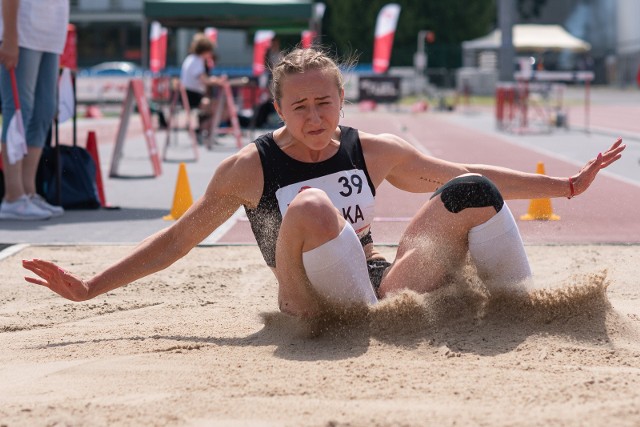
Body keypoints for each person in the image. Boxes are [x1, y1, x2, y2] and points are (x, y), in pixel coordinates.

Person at [23, 47, 626, 319]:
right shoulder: (247, 168)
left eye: (324, 103)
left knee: (474, 193)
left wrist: (567, 187)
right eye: (300, 106)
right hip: (308, 291)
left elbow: (463, 177)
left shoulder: (374, 149)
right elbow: (180, 240)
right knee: (310, 204)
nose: (315, 118)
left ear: (342, 100)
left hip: (373, 282)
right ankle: (308, 309)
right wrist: (93, 286)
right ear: (279, 108)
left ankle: (519, 309)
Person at [0, 0, 68, 220]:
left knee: (44, 112)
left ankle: (28, 192)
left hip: (51, 37)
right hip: (23, 34)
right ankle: (13, 195)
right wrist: (10, 37)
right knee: (20, 110)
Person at [178, 32, 227, 143]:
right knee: (219, 108)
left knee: (214, 107)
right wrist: (217, 81)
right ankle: (203, 131)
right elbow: (205, 80)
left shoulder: (191, 58)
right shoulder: (197, 61)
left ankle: (203, 131)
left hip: (189, 94)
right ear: (205, 50)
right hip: (192, 95)